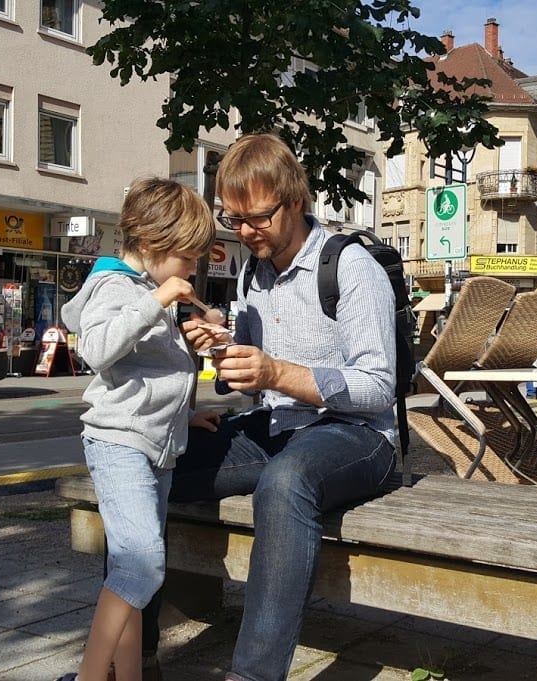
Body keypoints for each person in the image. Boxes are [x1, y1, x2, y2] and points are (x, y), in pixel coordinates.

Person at [174, 133, 398, 681]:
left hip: (357, 436)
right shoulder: (254, 270)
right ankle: (126, 655)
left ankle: (252, 675)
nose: (246, 232)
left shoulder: (350, 267)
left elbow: (378, 387)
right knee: (154, 459)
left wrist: (275, 372)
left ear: (296, 200)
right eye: (235, 220)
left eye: (258, 218)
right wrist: (219, 347)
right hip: (277, 425)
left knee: (285, 480)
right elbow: (249, 383)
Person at [57, 178, 227, 681]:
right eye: (188, 258)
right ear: (152, 246)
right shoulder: (115, 286)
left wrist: (185, 413)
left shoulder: (145, 289)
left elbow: (152, 372)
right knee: (143, 565)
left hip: (157, 446)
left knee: (133, 568)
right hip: (120, 444)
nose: (194, 269)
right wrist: (159, 301)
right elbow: (99, 350)